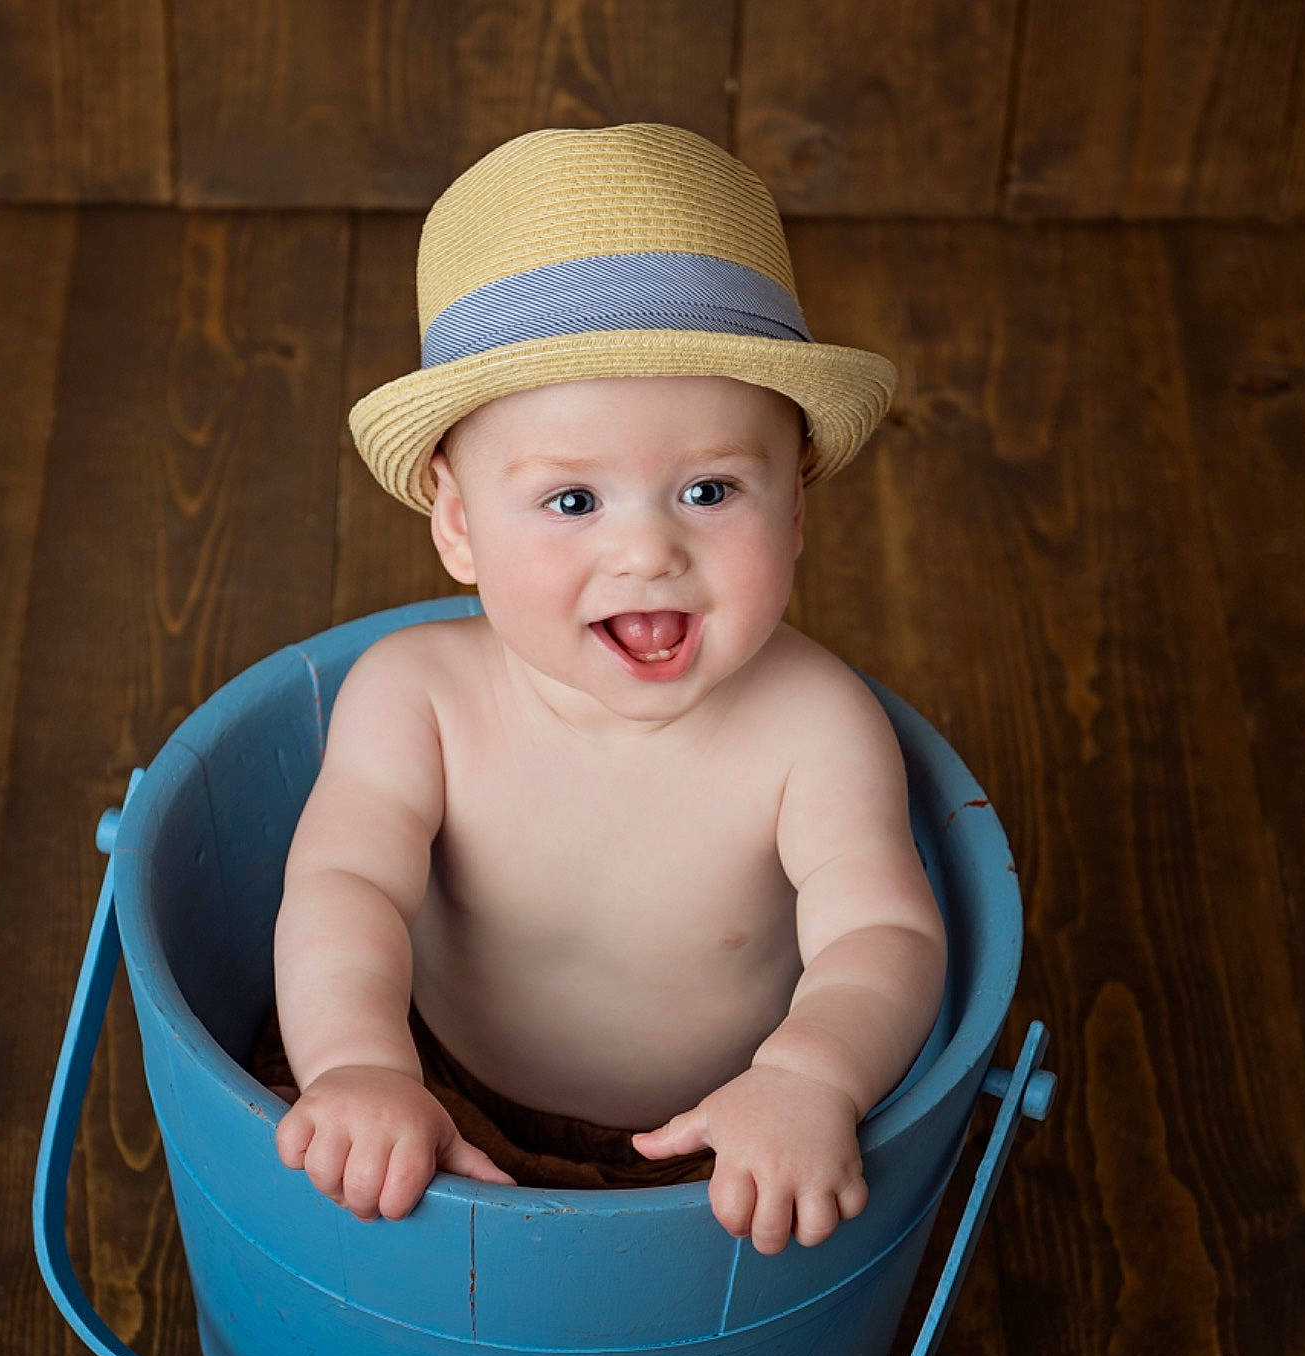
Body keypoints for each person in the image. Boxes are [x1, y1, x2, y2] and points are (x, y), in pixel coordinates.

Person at [264, 122, 946, 1258]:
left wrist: (810, 1074)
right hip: (429, 1089)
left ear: (795, 507)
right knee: (333, 1153)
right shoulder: (417, 699)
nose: (647, 554)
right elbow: (345, 888)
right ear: (458, 523)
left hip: (727, 1133)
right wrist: (359, 1064)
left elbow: (882, 930)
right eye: (573, 501)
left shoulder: (815, 726)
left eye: (710, 490)